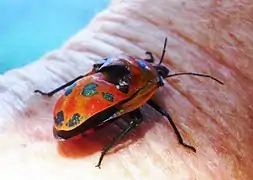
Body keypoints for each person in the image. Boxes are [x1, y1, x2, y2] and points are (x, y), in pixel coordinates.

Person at [0, 0, 252, 179]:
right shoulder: (145, 82)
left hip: (88, 93)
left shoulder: (133, 67)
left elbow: (112, 66)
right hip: (89, 103)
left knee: (113, 101)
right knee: (148, 118)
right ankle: (116, 149)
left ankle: (52, 96)